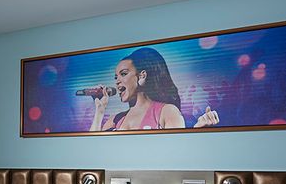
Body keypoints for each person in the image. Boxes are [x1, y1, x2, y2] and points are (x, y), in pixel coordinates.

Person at [88, 47, 220, 131]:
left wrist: (197, 129)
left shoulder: (167, 111)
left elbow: (178, 149)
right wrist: (100, 111)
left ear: (142, 76)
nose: (117, 81)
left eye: (123, 74)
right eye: (115, 77)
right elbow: (93, 148)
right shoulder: (115, 119)